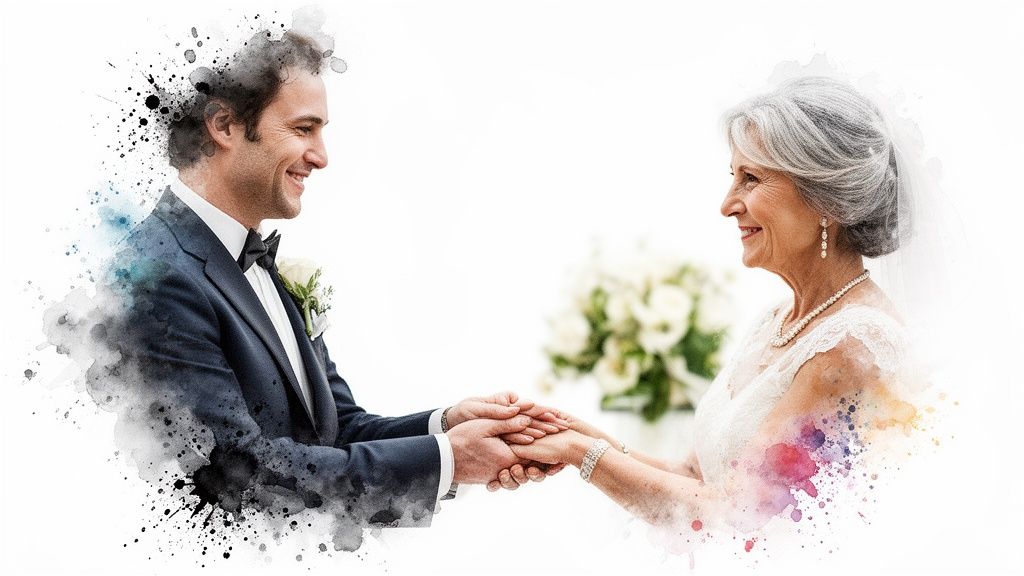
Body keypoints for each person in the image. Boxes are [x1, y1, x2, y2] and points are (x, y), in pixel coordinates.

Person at [99, 29, 563, 536]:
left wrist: (446, 427)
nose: (321, 156)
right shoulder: (158, 275)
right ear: (225, 125)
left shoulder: (255, 265)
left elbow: (335, 430)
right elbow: (234, 475)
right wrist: (449, 460)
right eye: (303, 129)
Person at [491, 76, 923, 535]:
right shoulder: (777, 321)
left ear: (825, 199)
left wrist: (580, 455)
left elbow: (742, 520)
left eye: (751, 178)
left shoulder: (853, 346)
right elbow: (694, 479)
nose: (727, 204)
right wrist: (576, 434)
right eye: (732, 176)